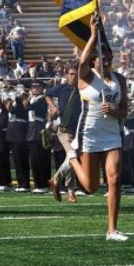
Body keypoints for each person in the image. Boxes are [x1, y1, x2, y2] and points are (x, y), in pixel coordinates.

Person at [60, 13, 130, 241]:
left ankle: (112, 230)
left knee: (114, 179)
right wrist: (92, 34)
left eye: (108, 56)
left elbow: (125, 110)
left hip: (112, 134)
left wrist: (114, 111)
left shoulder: (120, 80)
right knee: (91, 187)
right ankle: (72, 157)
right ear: (94, 60)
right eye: (101, 57)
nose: (106, 60)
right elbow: (82, 63)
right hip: (89, 132)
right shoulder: (86, 77)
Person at [48, 64, 84, 203]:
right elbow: (47, 94)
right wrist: (52, 107)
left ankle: (55, 180)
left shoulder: (83, 89)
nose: (74, 77)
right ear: (67, 75)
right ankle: (70, 190)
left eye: (76, 74)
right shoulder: (61, 88)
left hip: (79, 128)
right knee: (72, 155)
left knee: (72, 158)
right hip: (64, 128)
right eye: (71, 74)